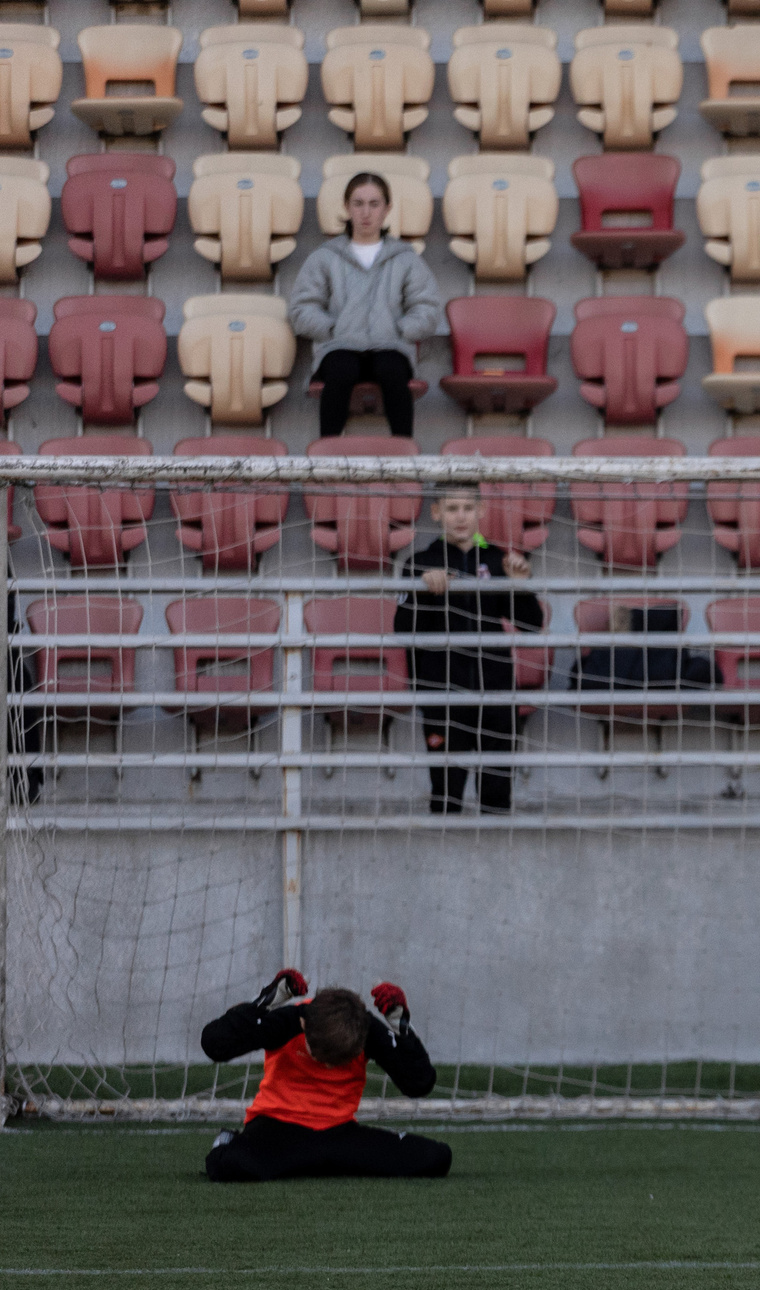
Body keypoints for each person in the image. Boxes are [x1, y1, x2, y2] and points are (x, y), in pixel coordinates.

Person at [201, 972, 446, 1182]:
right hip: (276, 1127)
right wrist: (262, 1004)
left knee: (436, 1158)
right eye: (319, 1056)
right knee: (229, 1166)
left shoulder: (364, 1028)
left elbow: (419, 1083)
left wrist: (401, 1029)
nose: (327, 1064)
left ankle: (316, 1160)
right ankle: (228, 1140)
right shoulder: (289, 1020)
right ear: (304, 1025)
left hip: (339, 1134)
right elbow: (214, 1044)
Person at [395, 488, 542, 815]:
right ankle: (445, 862)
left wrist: (520, 587)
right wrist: (424, 592)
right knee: (446, 794)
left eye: (467, 508)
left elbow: (532, 624)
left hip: (496, 691)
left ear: (481, 511)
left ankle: (494, 863)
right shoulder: (420, 562)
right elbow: (401, 629)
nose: (460, 517)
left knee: (497, 793)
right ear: (435, 512)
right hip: (442, 692)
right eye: (451, 509)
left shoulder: (497, 558)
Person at [286, 173, 442, 442]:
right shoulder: (325, 257)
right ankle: (326, 461)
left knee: (392, 371)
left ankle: (404, 460)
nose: (366, 212)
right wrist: (333, 328)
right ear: (347, 207)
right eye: (358, 203)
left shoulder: (405, 258)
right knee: (340, 371)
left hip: (389, 345)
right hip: (340, 345)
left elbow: (427, 307)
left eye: (374, 203)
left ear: (387, 209)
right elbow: (301, 309)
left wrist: (398, 329)